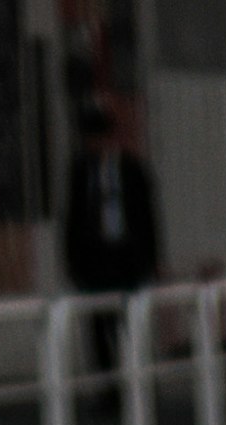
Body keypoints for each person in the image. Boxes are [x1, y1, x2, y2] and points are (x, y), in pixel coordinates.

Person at [60, 96, 163, 305]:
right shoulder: (81, 171)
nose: (94, 144)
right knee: (98, 317)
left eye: (98, 137)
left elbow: (146, 215)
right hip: (94, 259)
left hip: (127, 256)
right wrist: (71, 262)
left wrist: (152, 259)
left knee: (127, 317)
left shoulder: (132, 169)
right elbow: (73, 215)